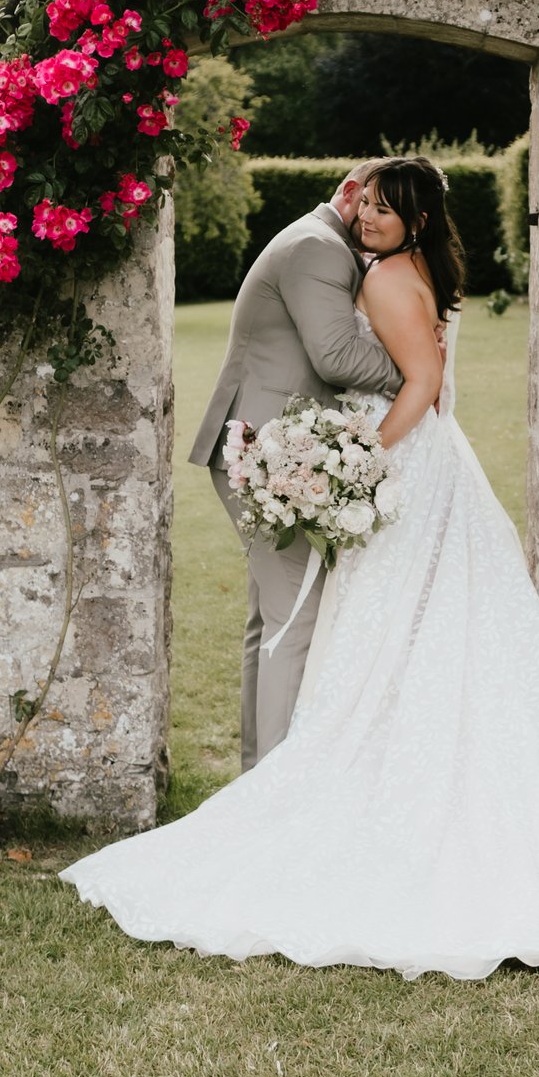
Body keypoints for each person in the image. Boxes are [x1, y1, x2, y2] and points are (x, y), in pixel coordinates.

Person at [65, 156, 539, 981]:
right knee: (347, 621)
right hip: (356, 454)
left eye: (387, 210)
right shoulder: (367, 259)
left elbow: (392, 371)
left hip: (386, 457)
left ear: (417, 222)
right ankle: (284, 779)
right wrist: (382, 416)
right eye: (366, 203)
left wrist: (362, 449)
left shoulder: (385, 273)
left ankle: (285, 785)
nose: (369, 218)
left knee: (332, 622)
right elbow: (389, 365)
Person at [182, 159, 402, 769]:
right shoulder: (317, 247)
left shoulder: (314, 239)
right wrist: (415, 374)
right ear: (351, 193)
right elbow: (334, 357)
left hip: (263, 448)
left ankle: (260, 772)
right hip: (268, 456)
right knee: (295, 618)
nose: (375, 220)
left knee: (272, 616)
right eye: (373, 205)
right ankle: (273, 786)